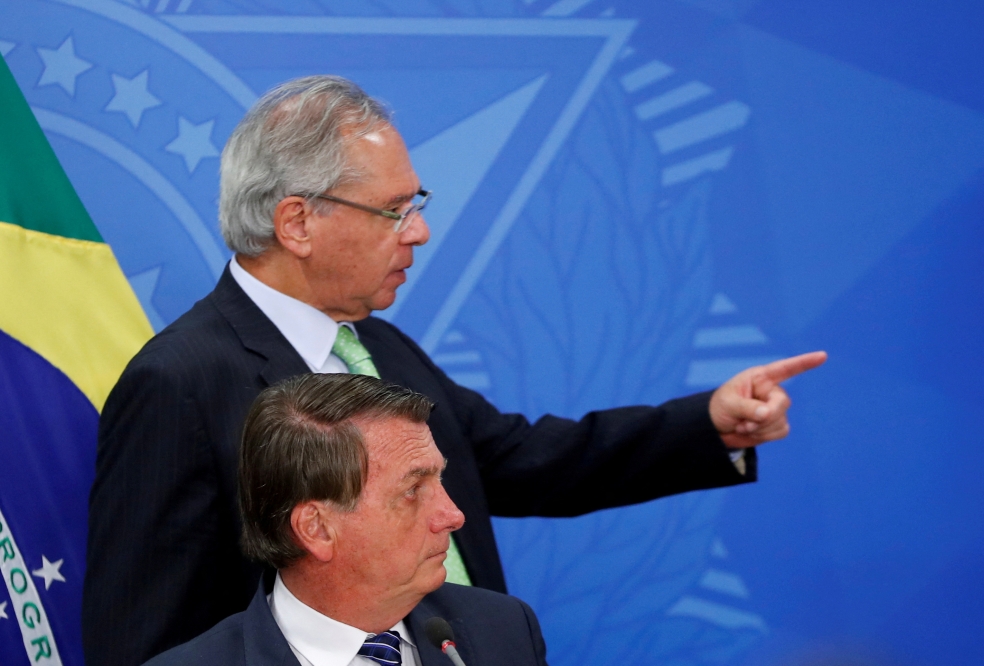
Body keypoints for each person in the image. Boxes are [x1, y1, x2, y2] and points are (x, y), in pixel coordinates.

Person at [84, 75, 826, 665]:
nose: (420, 231)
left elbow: (521, 460)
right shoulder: (178, 381)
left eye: (418, 204)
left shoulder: (380, 346)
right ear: (297, 222)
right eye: (393, 210)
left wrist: (709, 426)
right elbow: (141, 634)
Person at [144, 373, 548, 666]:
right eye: (412, 491)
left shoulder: (504, 629)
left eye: (439, 479)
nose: (454, 516)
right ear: (317, 529)